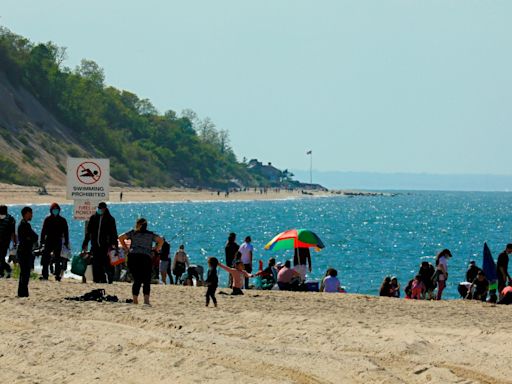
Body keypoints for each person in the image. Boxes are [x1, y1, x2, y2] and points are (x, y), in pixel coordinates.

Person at [119, 218, 163, 305]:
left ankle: (135, 300)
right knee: (146, 279)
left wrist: (126, 248)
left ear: (137, 225)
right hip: (146, 257)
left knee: (137, 279)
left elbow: (120, 237)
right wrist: (156, 249)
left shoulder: (133, 233)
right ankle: (146, 300)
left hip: (134, 256)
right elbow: (161, 240)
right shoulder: (150, 234)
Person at [82, 202, 118, 284]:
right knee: (96, 263)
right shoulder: (93, 218)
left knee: (106, 263)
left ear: (105, 209)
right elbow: (89, 232)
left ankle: (110, 277)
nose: (100, 210)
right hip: (95, 245)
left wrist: (114, 244)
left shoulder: (110, 219)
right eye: (99, 208)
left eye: (101, 208)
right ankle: (98, 279)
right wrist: (85, 243)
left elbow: (113, 233)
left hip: (106, 245)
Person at [40, 203, 69, 281]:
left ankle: (57, 275)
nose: (55, 211)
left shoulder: (62, 220)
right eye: (54, 209)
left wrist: (66, 242)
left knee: (58, 259)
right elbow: (43, 231)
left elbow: (66, 232)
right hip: (49, 240)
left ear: (59, 210)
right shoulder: (47, 219)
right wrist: (41, 241)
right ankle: (45, 275)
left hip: (58, 241)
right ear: (51, 210)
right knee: (46, 258)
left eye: (57, 209)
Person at [17, 207, 38, 297]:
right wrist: (30, 238)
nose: (31, 215)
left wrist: (30, 238)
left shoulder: (24, 224)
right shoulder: (24, 225)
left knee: (24, 273)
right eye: (30, 213)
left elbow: (34, 237)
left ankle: (23, 292)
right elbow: (32, 237)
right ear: (26, 214)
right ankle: (23, 293)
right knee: (25, 273)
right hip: (24, 252)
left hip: (24, 251)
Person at [0, 205, 16, 278]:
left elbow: (13, 232)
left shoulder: (10, 219)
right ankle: (4, 271)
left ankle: (6, 270)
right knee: (1, 257)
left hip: (5, 241)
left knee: (1, 256)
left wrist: (14, 242)